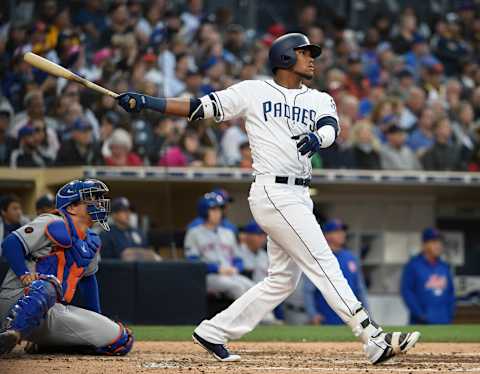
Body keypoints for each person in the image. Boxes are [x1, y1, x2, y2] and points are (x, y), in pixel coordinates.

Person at [117, 32, 419, 364]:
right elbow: (200, 108)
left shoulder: (319, 98)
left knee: (282, 281)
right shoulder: (254, 91)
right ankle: (371, 337)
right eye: (305, 53)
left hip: (301, 193)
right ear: (285, 57)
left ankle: (214, 331)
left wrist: (318, 137)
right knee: (323, 260)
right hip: (273, 191)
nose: (311, 58)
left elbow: (332, 129)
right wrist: (149, 102)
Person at [0, 179, 134, 355]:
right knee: (49, 285)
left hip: (50, 310)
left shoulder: (91, 240)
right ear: (71, 207)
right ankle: (12, 333)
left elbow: (88, 280)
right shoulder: (52, 221)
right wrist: (24, 273)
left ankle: (46, 345)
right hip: (16, 300)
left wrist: (96, 315)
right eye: (91, 198)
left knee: (120, 340)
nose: (99, 203)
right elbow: (11, 243)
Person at [184, 192, 254, 300]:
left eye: (219, 210)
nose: (218, 213)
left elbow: (238, 258)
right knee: (237, 287)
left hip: (230, 274)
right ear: (204, 211)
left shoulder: (228, 233)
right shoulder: (194, 233)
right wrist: (216, 269)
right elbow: (192, 261)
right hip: (209, 276)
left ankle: (267, 317)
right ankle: (248, 317)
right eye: (213, 210)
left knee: (254, 288)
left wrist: (236, 268)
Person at [303, 219, 369, 325]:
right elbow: (308, 290)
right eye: (337, 231)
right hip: (326, 317)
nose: (342, 234)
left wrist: (366, 313)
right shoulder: (319, 258)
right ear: (326, 235)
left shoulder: (351, 257)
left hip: (350, 317)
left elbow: (360, 289)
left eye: (342, 231)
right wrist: (313, 314)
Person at [401, 228, 456, 324]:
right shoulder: (413, 265)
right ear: (424, 245)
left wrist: (449, 313)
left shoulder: (444, 267)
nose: (438, 245)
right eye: (434, 242)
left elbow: (451, 293)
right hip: (420, 323)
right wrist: (420, 314)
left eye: (440, 242)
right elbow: (407, 292)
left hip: (444, 321)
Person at [100, 197, 158, 261]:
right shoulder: (107, 234)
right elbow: (106, 261)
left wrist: (134, 254)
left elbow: (149, 253)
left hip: (141, 269)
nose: (128, 213)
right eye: (123, 211)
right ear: (114, 214)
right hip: (119, 269)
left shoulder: (138, 232)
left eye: (128, 210)